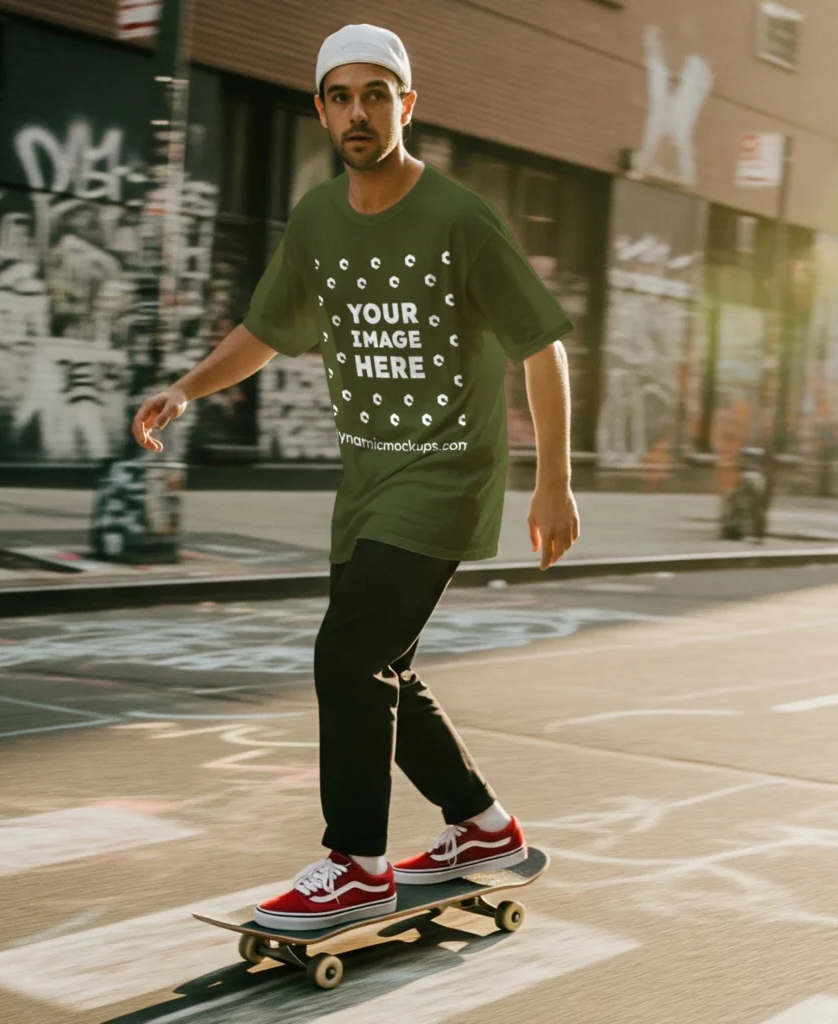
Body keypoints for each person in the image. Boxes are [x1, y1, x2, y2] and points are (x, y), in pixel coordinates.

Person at [131, 23, 580, 931]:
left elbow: (544, 345)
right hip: (368, 485)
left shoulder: (459, 218)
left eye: (377, 94)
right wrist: (187, 387)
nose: (359, 112)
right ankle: (485, 828)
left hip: (447, 477)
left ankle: (357, 863)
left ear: (407, 105)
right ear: (321, 112)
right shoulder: (317, 218)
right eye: (341, 97)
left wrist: (554, 481)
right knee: (386, 670)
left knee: (345, 654)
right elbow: (266, 329)